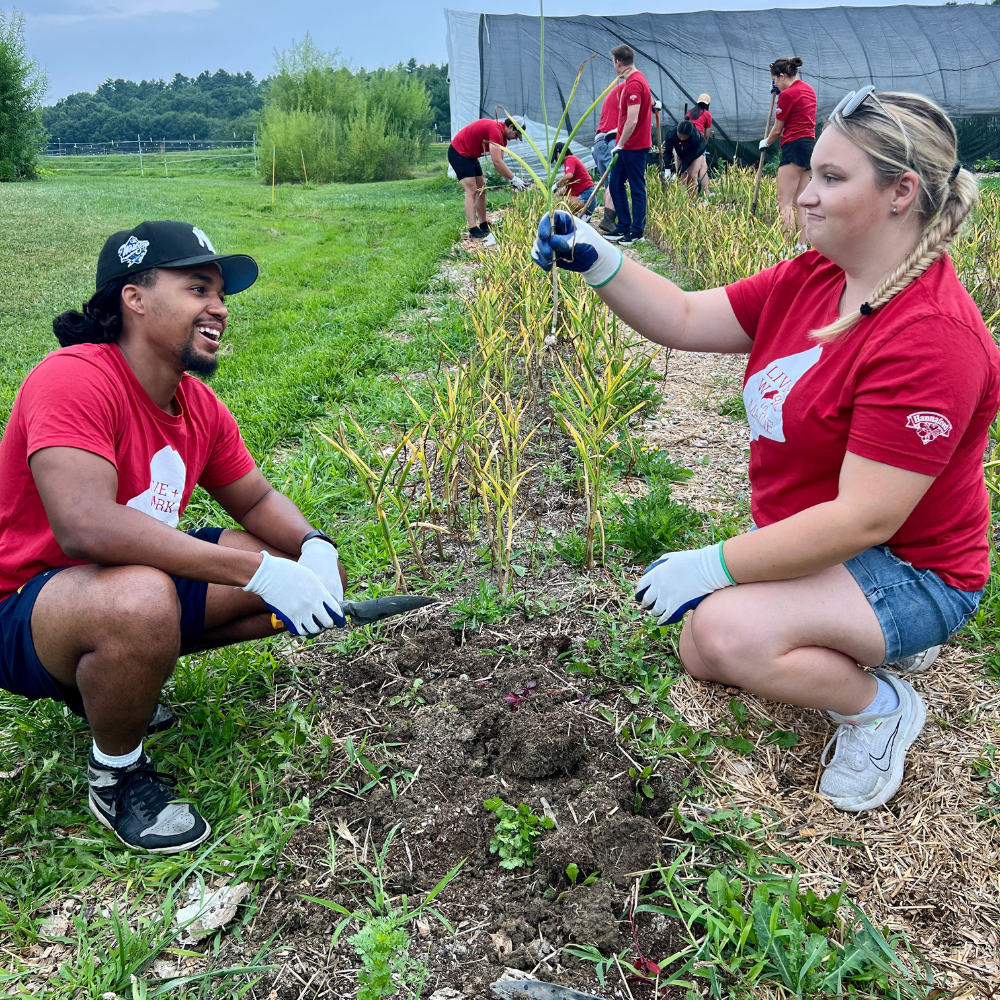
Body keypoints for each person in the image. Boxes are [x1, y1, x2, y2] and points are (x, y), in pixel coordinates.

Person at [531, 90, 999, 813]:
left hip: (914, 568)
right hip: (829, 546)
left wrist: (711, 564)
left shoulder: (930, 338)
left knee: (719, 637)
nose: (805, 194)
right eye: (812, 173)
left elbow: (864, 519)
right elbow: (685, 316)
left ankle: (880, 707)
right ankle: (866, 633)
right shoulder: (814, 278)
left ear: (902, 192)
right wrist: (598, 259)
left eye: (832, 179)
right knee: (704, 644)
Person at [0, 221, 351, 853]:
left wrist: (315, 549)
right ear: (134, 297)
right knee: (143, 602)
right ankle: (116, 772)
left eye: (220, 294)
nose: (219, 308)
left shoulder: (197, 406)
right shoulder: (74, 377)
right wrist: (259, 573)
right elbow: (84, 525)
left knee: (292, 567)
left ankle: (119, 675)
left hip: (127, 586)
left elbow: (257, 500)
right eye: (197, 288)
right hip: (23, 607)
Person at [759, 57, 817, 249]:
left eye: (775, 80)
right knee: (800, 201)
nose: (775, 84)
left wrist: (766, 142)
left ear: (782, 76)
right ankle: (801, 245)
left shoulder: (787, 95)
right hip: (809, 147)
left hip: (793, 146)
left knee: (783, 202)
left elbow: (777, 129)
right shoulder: (808, 89)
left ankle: (784, 249)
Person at [448, 115, 527, 240]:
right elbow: (496, 162)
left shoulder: (503, 138)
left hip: (470, 156)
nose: (516, 138)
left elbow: (500, 163)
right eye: (516, 135)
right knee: (472, 190)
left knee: (481, 190)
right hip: (459, 152)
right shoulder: (496, 130)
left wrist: (511, 179)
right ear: (511, 127)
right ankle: (473, 229)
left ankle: (483, 225)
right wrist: (514, 179)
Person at [606, 43, 652, 247]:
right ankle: (624, 225)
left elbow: (633, 120)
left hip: (634, 146)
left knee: (636, 187)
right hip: (625, 144)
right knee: (615, 184)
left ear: (618, 62)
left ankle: (636, 231)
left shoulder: (634, 83)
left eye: (613, 62)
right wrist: (617, 133)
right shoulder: (635, 80)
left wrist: (621, 143)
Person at [592, 78, 623, 234]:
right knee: (615, 183)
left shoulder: (616, 93)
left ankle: (608, 218)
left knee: (610, 184)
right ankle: (608, 220)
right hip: (609, 141)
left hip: (599, 143)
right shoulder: (628, 88)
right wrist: (654, 104)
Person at [664, 120, 709, 196]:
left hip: (696, 153)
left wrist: (680, 170)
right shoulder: (671, 134)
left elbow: (688, 158)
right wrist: (667, 169)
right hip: (680, 152)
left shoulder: (695, 138)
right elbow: (668, 152)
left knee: (692, 176)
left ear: (689, 135)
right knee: (682, 176)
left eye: (685, 137)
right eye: (680, 136)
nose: (682, 138)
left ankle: (692, 199)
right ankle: (683, 198)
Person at [551, 143, 597, 219]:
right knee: (558, 199)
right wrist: (553, 195)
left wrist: (556, 185)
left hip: (586, 198)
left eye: (555, 158)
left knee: (560, 202)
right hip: (589, 199)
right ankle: (581, 216)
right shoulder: (572, 160)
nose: (556, 160)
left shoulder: (570, 159)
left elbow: (569, 176)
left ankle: (582, 216)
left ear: (559, 153)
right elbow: (565, 189)